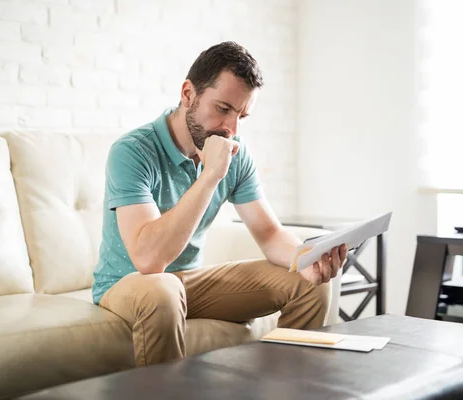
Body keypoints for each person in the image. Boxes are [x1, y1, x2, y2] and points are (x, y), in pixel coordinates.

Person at [92, 41, 348, 367]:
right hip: (129, 285)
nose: (232, 129)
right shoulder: (132, 151)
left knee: (310, 284)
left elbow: (269, 234)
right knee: (163, 290)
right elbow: (148, 260)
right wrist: (210, 175)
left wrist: (306, 259)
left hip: (189, 282)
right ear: (188, 94)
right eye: (224, 109)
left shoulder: (235, 152)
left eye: (242, 115)